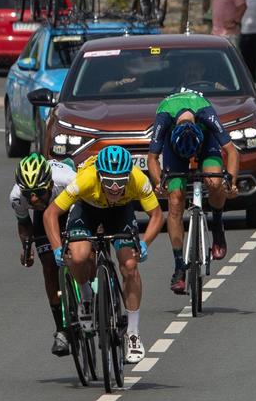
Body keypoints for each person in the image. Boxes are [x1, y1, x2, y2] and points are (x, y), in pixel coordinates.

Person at [43, 143, 164, 364]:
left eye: (120, 182)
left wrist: (145, 243)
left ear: (129, 177)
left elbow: (157, 215)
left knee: (129, 265)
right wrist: (57, 248)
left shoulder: (138, 180)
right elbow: (50, 214)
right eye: (109, 182)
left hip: (121, 213)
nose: (115, 188)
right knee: (79, 257)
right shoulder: (85, 180)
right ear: (99, 177)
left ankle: (133, 333)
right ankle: (86, 296)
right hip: (87, 210)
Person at [146, 89, 240, 294]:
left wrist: (231, 182)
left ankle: (217, 223)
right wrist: (158, 182)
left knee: (215, 182)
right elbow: (152, 158)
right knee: (175, 199)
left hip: (206, 141)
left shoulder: (206, 113)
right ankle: (179, 265)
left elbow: (232, 151)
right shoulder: (164, 116)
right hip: (174, 149)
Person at [10, 154, 78, 356]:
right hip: (45, 213)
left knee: (79, 252)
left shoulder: (69, 181)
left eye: (38, 192)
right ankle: (61, 330)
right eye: (28, 193)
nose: (33, 198)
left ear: (49, 184)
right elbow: (24, 224)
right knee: (49, 267)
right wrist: (27, 248)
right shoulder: (17, 196)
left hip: (71, 204)